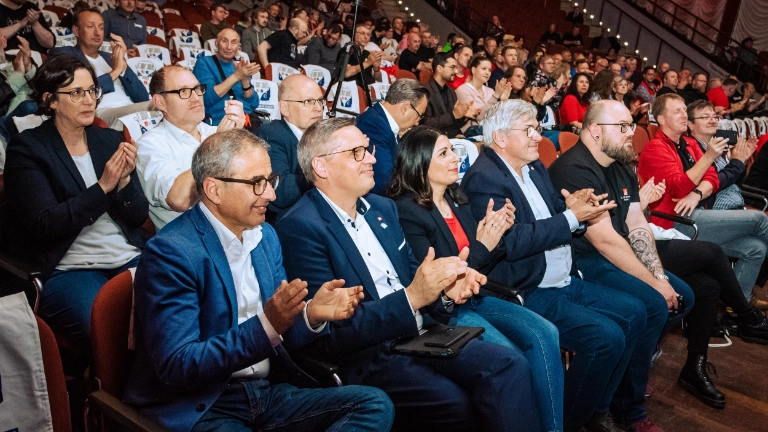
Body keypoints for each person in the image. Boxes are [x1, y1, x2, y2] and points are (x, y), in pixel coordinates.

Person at [277, 117, 541, 432]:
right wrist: (413, 297)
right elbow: (333, 331)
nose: (372, 158)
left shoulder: (381, 208)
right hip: (369, 353)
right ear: (322, 167)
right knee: (452, 402)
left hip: (421, 333)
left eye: (369, 148)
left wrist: (446, 288)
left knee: (510, 366)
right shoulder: (301, 227)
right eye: (357, 152)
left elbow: (414, 271)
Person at [123, 128, 396, 432]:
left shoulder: (265, 236)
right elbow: (178, 366)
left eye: (270, 181)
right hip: (202, 405)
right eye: (257, 183)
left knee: (373, 405)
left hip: (263, 393)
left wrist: (309, 316)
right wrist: (268, 324)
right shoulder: (172, 252)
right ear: (214, 190)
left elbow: (281, 336)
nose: (271, 194)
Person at [461, 99, 653, 432]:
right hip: (527, 287)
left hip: (563, 277)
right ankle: (567, 420)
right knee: (605, 338)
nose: (539, 136)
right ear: (502, 138)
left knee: (636, 313)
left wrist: (577, 211)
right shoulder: (484, 179)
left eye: (537, 127)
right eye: (530, 129)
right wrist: (570, 217)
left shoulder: (534, 167)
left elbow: (556, 212)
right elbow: (513, 242)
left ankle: (598, 408)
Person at [390, 124, 587, 432]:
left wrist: (495, 235)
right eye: (443, 153)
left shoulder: (458, 199)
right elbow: (443, 277)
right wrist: (484, 244)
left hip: (478, 297)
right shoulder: (408, 212)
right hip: (446, 311)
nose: (455, 158)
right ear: (419, 163)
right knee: (512, 358)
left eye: (453, 150)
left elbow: (480, 263)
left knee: (546, 333)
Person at [548, 100, 694, 432]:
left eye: (632, 125)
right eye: (624, 127)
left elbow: (636, 222)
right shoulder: (574, 169)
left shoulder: (620, 162)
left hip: (612, 254)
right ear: (596, 131)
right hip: (581, 262)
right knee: (655, 305)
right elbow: (605, 240)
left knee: (684, 295)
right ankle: (626, 409)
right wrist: (657, 286)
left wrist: (658, 275)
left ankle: (626, 375)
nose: (632, 133)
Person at [2, 56, 149, 350]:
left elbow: (137, 217)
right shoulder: (28, 148)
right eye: (76, 93)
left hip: (128, 255)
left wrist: (121, 186)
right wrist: (103, 186)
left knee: (180, 310)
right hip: (70, 268)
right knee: (114, 329)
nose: (88, 101)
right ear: (50, 100)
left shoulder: (109, 139)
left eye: (92, 90)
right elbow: (44, 225)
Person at [638, 94, 768, 304]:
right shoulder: (656, 147)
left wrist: (697, 192)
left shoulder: (688, 143)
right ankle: (745, 313)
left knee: (756, 248)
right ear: (661, 119)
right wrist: (709, 157)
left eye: (684, 109)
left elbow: (712, 178)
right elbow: (680, 188)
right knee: (760, 219)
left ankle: (735, 310)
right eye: (677, 111)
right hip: (675, 221)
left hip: (698, 212)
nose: (683, 114)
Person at [136, 65, 244, 230]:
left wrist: (240, 138)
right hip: (191, 240)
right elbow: (179, 200)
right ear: (160, 102)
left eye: (197, 89)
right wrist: (214, 146)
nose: (196, 98)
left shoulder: (214, 131)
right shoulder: (150, 144)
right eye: (183, 91)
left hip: (235, 226)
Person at [48, 8, 152, 130]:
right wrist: (115, 71)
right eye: (91, 26)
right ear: (76, 30)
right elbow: (78, 91)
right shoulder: (64, 55)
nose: (97, 32)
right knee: (162, 106)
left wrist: (123, 66)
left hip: (132, 109)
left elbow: (142, 97)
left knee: (163, 105)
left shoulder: (110, 57)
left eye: (101, 28)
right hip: (102, 113)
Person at [255, 74, 323, 220]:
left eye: (320, 101)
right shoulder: (270, 135)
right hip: (291, 222)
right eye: (308, 101)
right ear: (284, 108)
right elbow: (281, 191)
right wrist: (327, 168)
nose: (318, 108)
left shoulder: (324, 136)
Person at [356, 78, 428, 195]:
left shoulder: (383, 121)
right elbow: (385, 181)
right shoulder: (373, 124)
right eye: (419, 116)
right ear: (405, 107)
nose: (417, 123)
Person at [687, 100, 756, 210]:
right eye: (705, 117)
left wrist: (742, 160)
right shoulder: (689, 149)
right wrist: (736, 163)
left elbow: (733, 183)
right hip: (710, 208)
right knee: (761, 220)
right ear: (690, 124)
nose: (713, 121)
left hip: (732, 204)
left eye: (715, 117)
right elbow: (711, 184)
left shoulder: (718, 147)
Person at [194, 28, 261, 127]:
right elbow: (207, 99)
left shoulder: (239, 67)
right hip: (222, 123)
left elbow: (254, 103)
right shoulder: (204, 63)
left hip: (247, 121)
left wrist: (244, 80)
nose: (229, 47)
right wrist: (236, 76)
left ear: (238, 47)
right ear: (216, 44)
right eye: (224, 41)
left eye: (233, 43)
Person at [423, 52, 479, 138]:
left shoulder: (451, 91)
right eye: (452, 67)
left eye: (456, 68)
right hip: (434, 140)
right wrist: (453, 115)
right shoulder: (425, 92)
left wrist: (464, 115)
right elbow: (425, 124)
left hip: (453, 137)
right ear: (440, 68)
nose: (456, 71)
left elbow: (455, 123)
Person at [455, 55, 511, 135]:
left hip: (490, 133)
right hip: (472, 136)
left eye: (489, 70)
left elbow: (498, 117)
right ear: (473, 70)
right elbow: (479, 116)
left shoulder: (490, 91)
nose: (487, 72)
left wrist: (503, 100)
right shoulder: (463, 90)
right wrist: (496, 96)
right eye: (484, 69)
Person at [337, 24, 382, 90]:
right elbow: (346, 73)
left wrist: (376, 69)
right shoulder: (347, 51)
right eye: (362, 33)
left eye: (368, 35)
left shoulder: (367, 53)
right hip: (352, 89)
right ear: (354, 35)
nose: (366, 37)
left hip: (369, 90)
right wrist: (368, 63)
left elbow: (378, 78)